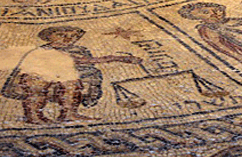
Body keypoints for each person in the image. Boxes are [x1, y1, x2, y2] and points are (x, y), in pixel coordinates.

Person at [2, 26, 142, 124]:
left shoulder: (78, 49)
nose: (68, 39)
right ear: (49, 37)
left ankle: (68, 114)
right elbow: (81, 61)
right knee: (37, 92)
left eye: (73, 36)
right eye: (61, 35)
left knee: (72, 86)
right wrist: (117, 58)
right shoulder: (45, 50)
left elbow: (84, 65)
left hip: (61, 76)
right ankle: (33, 117)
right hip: (37, 77)